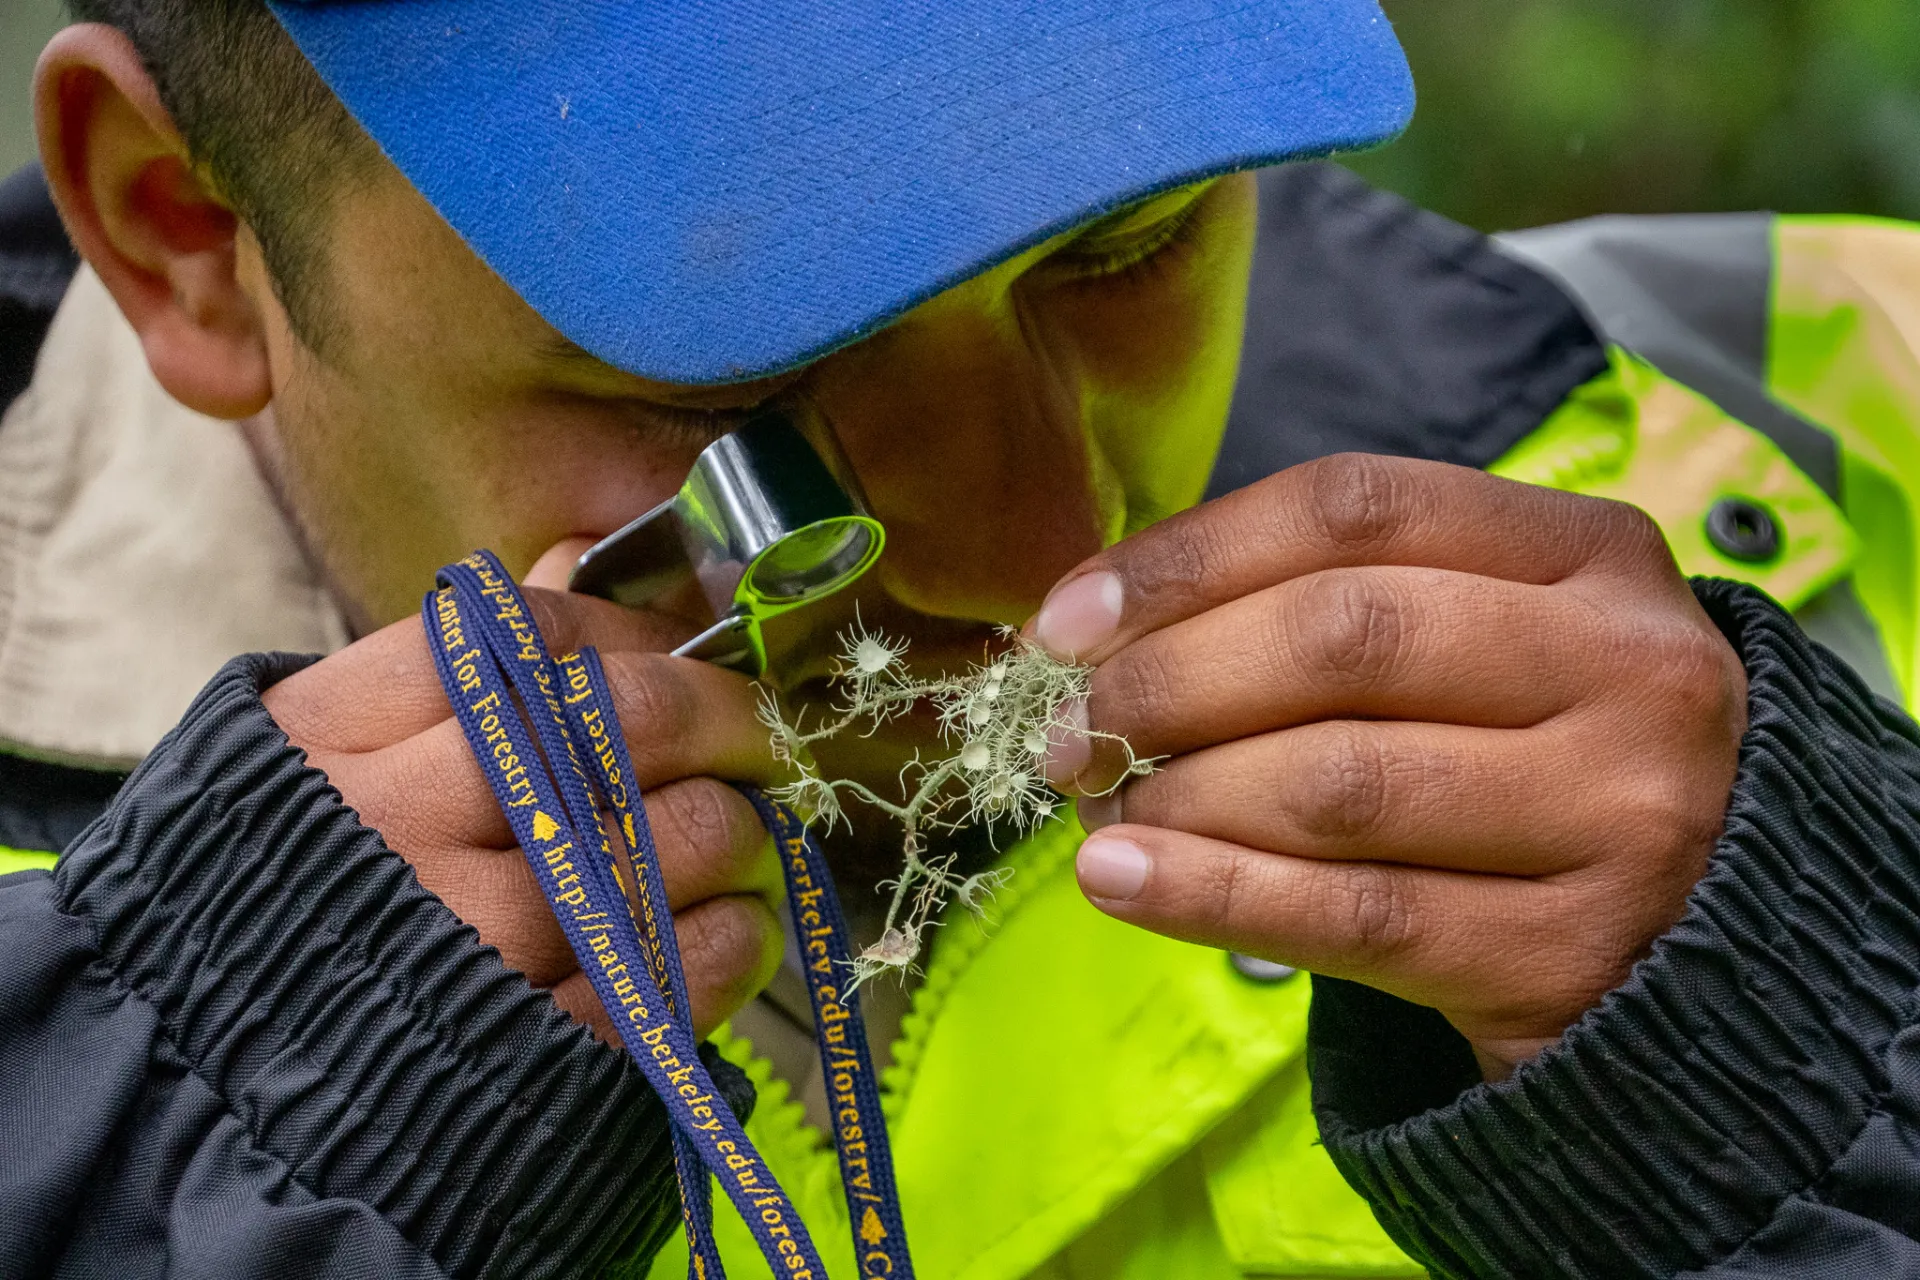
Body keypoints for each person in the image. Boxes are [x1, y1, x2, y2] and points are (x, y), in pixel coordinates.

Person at [1, 2, 1917, 1277]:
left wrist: (1810, 1080)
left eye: (1126, 242)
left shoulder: (1855, 435)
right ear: (184, 226)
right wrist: (140, 1172)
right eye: (741, 369)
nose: (1037, 556)